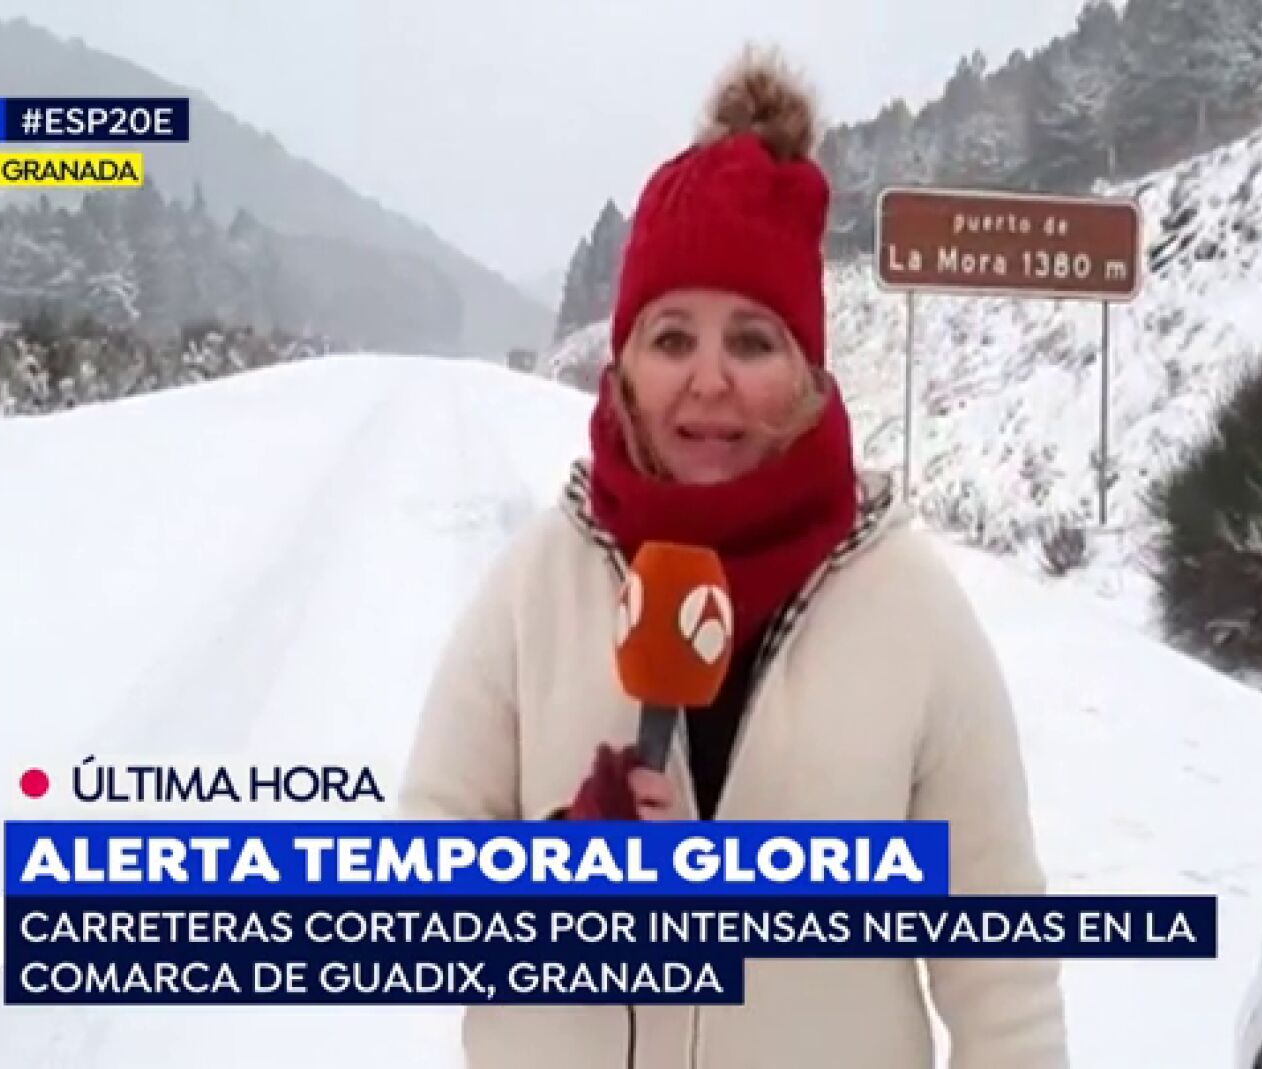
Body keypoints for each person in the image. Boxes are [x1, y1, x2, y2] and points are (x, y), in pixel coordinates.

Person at [397, 44, 1069, 1069]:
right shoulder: (539, 585)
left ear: (806, 372)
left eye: (752, 342)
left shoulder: (910, 607)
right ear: (620, 367)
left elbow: (1003, 984)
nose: (708, 383)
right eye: (671, 340)